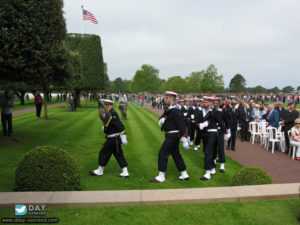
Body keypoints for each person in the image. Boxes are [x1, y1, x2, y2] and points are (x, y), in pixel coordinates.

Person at [150, 90, 189, 183]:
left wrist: (184, 139)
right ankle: (184, 174)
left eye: (167, 98)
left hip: (172, 135)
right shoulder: (170, 109)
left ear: (172, 98)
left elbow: (181, 124)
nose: (165, 99)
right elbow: (163, 118)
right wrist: (162, 120)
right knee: (176, 155)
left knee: (162, 153)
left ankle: (161, 176)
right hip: (171, 135)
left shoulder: (175, 110)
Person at [89, 99, 129, 177]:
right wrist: (105, 128)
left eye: (105, 106)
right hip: (114, 139)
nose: (103, 108)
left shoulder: (112, 114)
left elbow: (120, 126)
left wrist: (123, 136)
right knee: (119, 155)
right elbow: (110, 125)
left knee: (103, 153)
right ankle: (125, 172)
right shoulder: (110, 114)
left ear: (108, 106)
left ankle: (100, 171)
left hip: (113, 139)